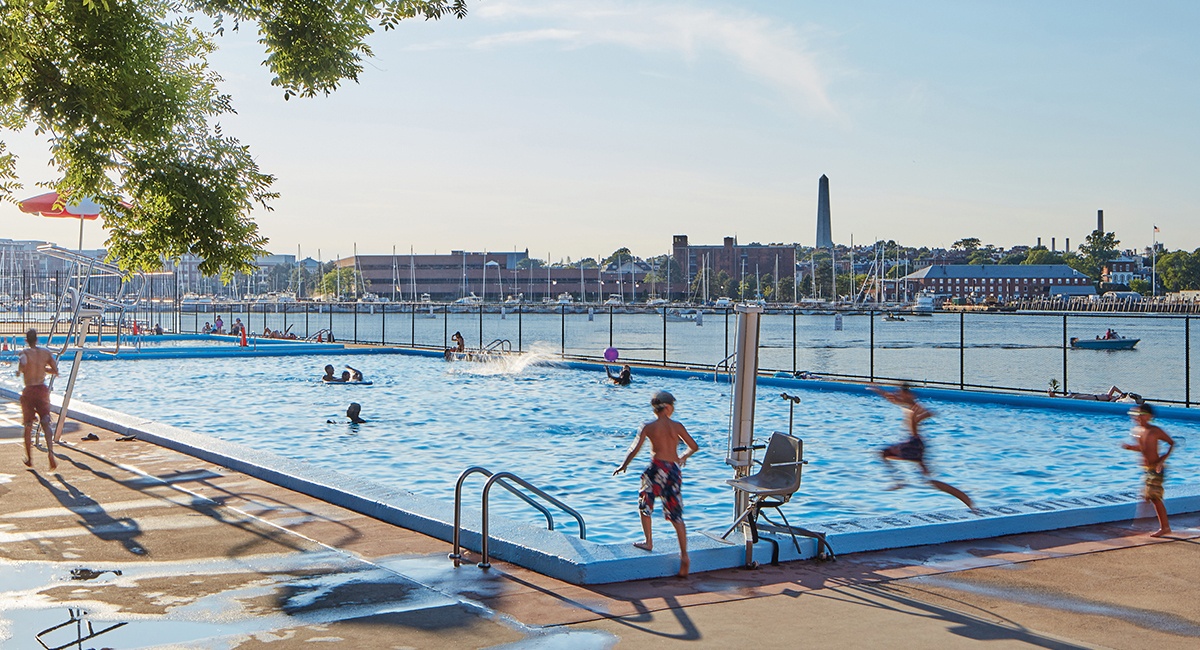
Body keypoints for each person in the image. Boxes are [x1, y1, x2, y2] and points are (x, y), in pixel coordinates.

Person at [613, 391, 700, 578]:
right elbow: (694, 446)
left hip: (657, 468)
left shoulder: (649, 426)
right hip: (674, 471)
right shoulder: (677, 426)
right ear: (668, 407)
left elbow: (634, 448)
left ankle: (649, 541)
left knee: (645, 501)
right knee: (676, 513)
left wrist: (624, 465)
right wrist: (683, 456)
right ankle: (684, 555)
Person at [870, 383, 973, 508]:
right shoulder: (907, 404)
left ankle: (899, 481)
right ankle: (966, 501)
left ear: (908, 394)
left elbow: (929, 413)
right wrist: (879, 391)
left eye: (900, 393)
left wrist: (917, 419)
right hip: (917, 444)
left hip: (914, 443)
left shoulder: (915, 406)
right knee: (928, 479)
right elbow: (891, 398)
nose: (897, 395)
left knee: (884, 453)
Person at [1122, 404, 1175, 537]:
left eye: (1142, 415)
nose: (1139, 418)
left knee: (1154, 498)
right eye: (1137, 415)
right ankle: (1141, 525)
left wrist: (1162, 460)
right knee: (1146, 497)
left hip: (1156, 469)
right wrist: (1130, 448)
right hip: (1147, 470)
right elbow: (1143, 448)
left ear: (1150, 416)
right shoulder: (1138, 432)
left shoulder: (1155, 431)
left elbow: (1171, 443)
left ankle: (1165, 527)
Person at [16, 329, 59, 470]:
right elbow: (55, 370)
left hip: (29, 390)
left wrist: (20, 370)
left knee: (28, 425)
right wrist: (43, 369)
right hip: (42, 389)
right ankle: (51, 454)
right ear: (37, 339)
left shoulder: (25, 353)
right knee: (46, 421)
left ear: (27, 340)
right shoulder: (45, 353)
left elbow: (22, 367)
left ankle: (29, 458)